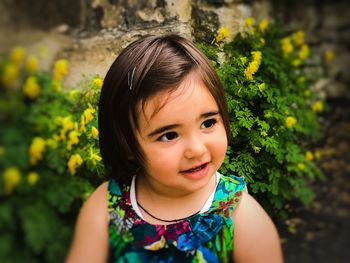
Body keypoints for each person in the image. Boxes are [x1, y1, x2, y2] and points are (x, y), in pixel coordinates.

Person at [66, 34, 283, 263]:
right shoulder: (107, 206)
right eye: (169, 135)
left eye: (208, 123)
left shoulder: (243, 220)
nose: (197, 150)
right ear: (127, 145)